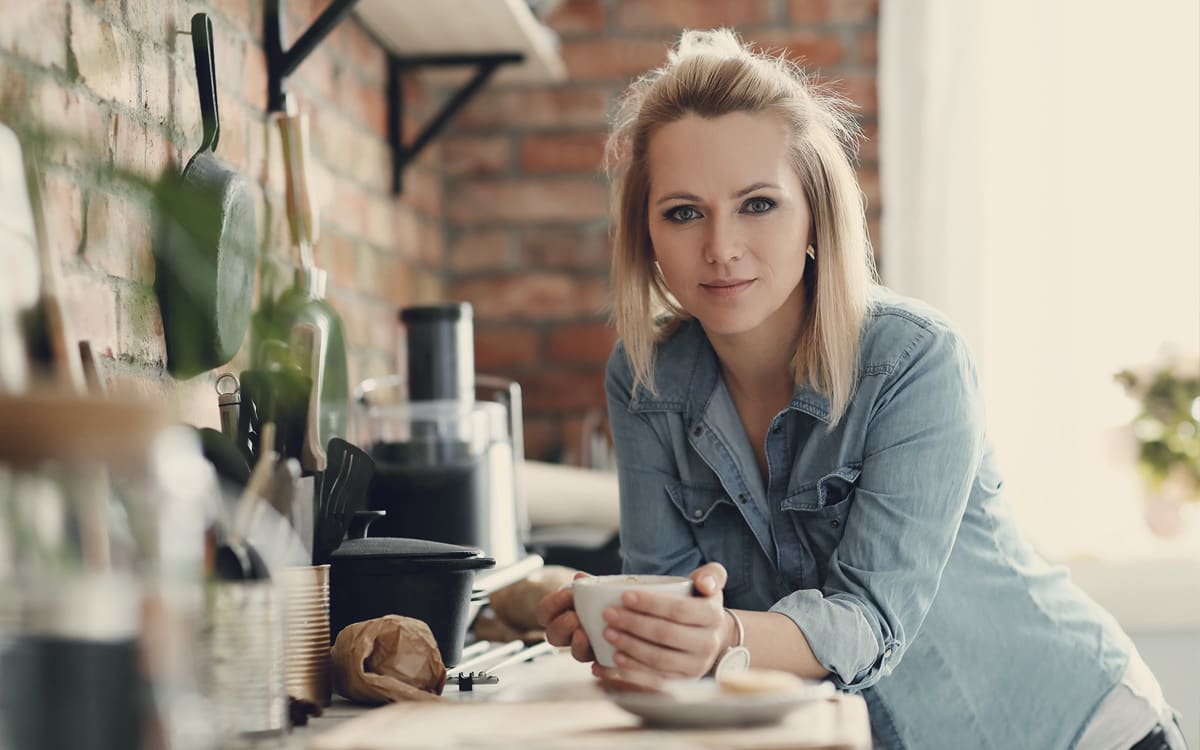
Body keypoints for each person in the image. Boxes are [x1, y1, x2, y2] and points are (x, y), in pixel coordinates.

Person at [535, 28, 1187, 750]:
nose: (720, 246)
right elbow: (668, 596)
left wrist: (717, 636)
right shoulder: (646, 379)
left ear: (815, 212)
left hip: (1072, 727)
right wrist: (635, 632)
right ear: (646, 233)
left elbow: (871, 619)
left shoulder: (914, 360)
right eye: (684, 212)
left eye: (758, 204)